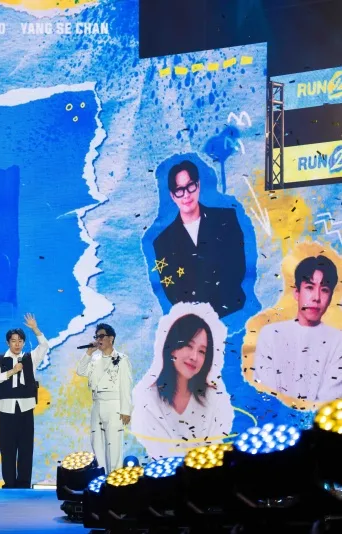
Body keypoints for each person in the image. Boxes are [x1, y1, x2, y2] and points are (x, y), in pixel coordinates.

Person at [131, 303, 234, 458]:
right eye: (188, 345)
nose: (194, 357)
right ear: (173, 348)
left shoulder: (214, 398)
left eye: (202, 351)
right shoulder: (149, 400)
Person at [152, 159, 247, 317]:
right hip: (195, 321)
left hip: (233, 311)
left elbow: (237, 268)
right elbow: (172, 291)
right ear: (172, 196)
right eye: (179, 190)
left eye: (190, 186)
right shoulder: (162, 242)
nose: (186, 195)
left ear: (198, 185)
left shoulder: (226, 219)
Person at [255, 255, 342, 404]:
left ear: (330, 297)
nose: (316, 297)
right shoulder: (270, 335)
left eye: (324, 290)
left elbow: (329, 401)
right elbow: (265, 394)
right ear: (297, 293)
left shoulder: (338, 341)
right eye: (309, 287)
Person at [0, 313, 49, 489]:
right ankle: (9, 484)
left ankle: (24, 484)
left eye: (20, 341)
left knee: (26, 450)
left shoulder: (30, 358)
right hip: (6, 411)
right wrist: (12, 371)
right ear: (8, 342)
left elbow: (44, 346)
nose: (17, 344)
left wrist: (35, 329)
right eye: (14, 341)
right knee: (7, 450)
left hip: (26, 410)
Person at [76, 323, 132, 473]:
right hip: (97, 404)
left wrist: (126, 410)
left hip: (114, 405)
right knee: (97, 444)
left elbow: (126, 386)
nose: (98, 340)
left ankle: (115, 479)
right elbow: (80, 371)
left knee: (114, 445)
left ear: (111, 338)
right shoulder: (94, 359)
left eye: (101, 336)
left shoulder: (122, 359)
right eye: (96, 337)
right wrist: (88, 353)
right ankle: (101, 477)